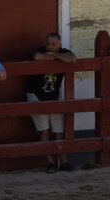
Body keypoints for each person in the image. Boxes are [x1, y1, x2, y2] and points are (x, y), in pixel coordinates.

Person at [29, 33, 77, 174]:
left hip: (54, 97)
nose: (49, 47)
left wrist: (54, 56)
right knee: (44, 132)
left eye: (53, 45)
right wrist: (57, 57)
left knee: (59, 132)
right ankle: (50, 163)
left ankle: (63, 163)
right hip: (36, 96)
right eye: (48, 44)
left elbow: (72, 59)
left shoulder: (64, 52)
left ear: (59, 45)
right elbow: (37, 57)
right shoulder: (41, 50)